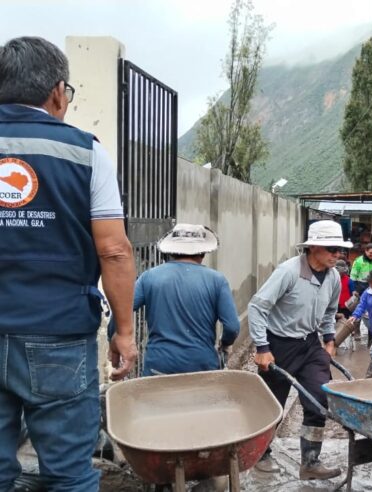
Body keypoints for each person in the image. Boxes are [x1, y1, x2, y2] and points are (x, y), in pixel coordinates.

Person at [0, 37, 137, 490]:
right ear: (58, 91)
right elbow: (114, 250)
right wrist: (124, 332)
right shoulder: (85, 152)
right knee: (69, 475)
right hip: (58, 337)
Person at [248, 220, 350, 480]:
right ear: (313, 247)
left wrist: (329, 340)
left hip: (310, 344)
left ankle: (311, 462)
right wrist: (262, 347)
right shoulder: (288, 272)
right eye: (331, 249)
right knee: (272, 406)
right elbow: (257, 308)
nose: (336, 254)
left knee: (319, 398)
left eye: (338, 249)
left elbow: (329, 311)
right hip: (279, 343)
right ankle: (261, 454)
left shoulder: (334, 276)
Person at [128, 224, 239, 376]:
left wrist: (114, 338)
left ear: (171, 251)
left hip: (159, 365)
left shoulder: (149, 277)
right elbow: (232, 327)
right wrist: (225, 343)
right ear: (203, 252)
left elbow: (122, 310)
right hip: (202, 366)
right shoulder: (217, 280)